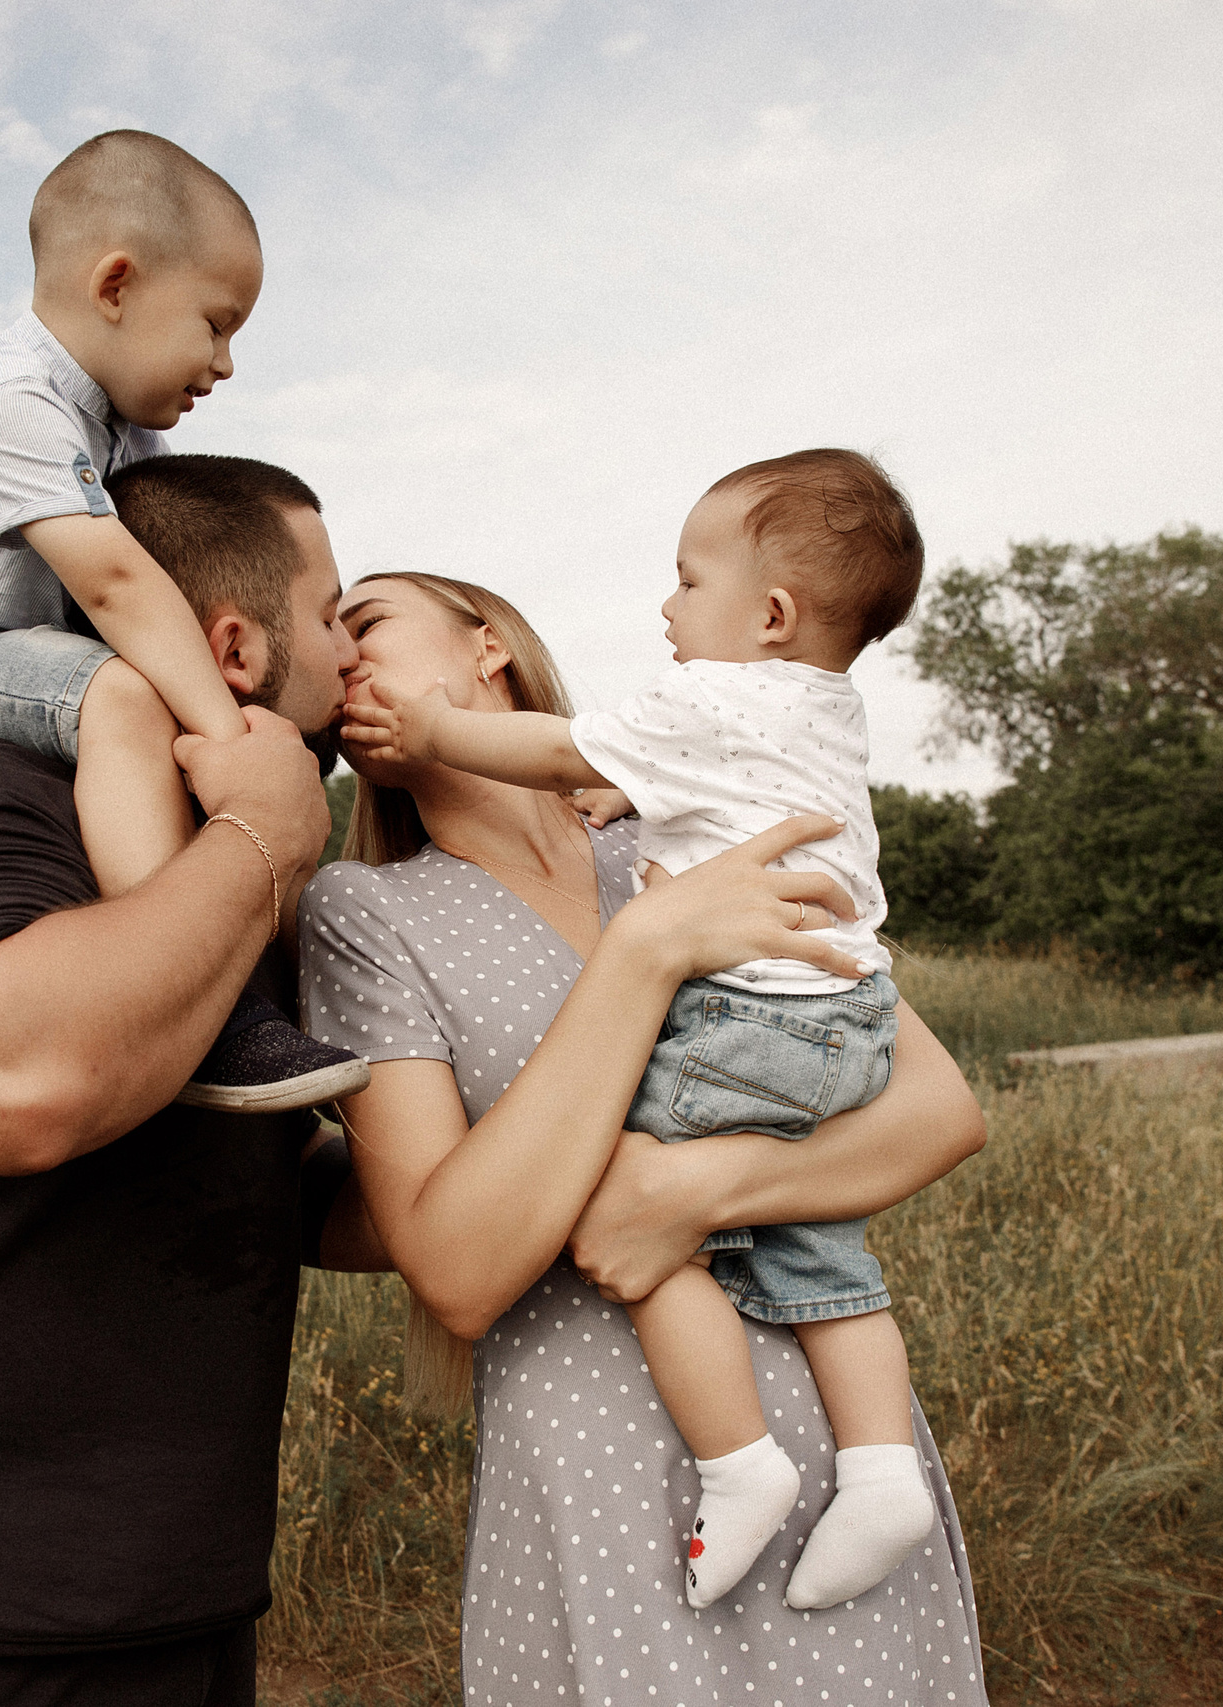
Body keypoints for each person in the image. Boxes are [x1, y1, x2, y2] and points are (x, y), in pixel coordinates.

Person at [0, 455, 385, 1707]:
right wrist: (266, 835)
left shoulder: (213, 860)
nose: (351, 650)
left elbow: (241, 1173)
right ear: (234, 647)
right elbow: (23, 1085)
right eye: (328, 614)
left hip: (181, 1589)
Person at [303, 572, 990, 1703]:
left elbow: (935, 1109)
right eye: (326, 646)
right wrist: (645, 952)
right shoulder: (367, 910)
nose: (339, 661)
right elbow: (459, 1272)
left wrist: (692, 1191)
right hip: (597, 1445)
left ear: (489, 650)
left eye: (364, 622)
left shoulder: (685, 834)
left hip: (837, 1426)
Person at [0, 128, 361, 1112]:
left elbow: (166, 571)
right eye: (215, 322)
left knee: (131, 691)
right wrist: (229, 738)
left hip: (12, 652)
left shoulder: (124, 429)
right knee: (121, 696)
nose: (227, 362)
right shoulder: (9, 403)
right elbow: (116, 586)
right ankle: (210, 1007)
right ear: (115, 284)